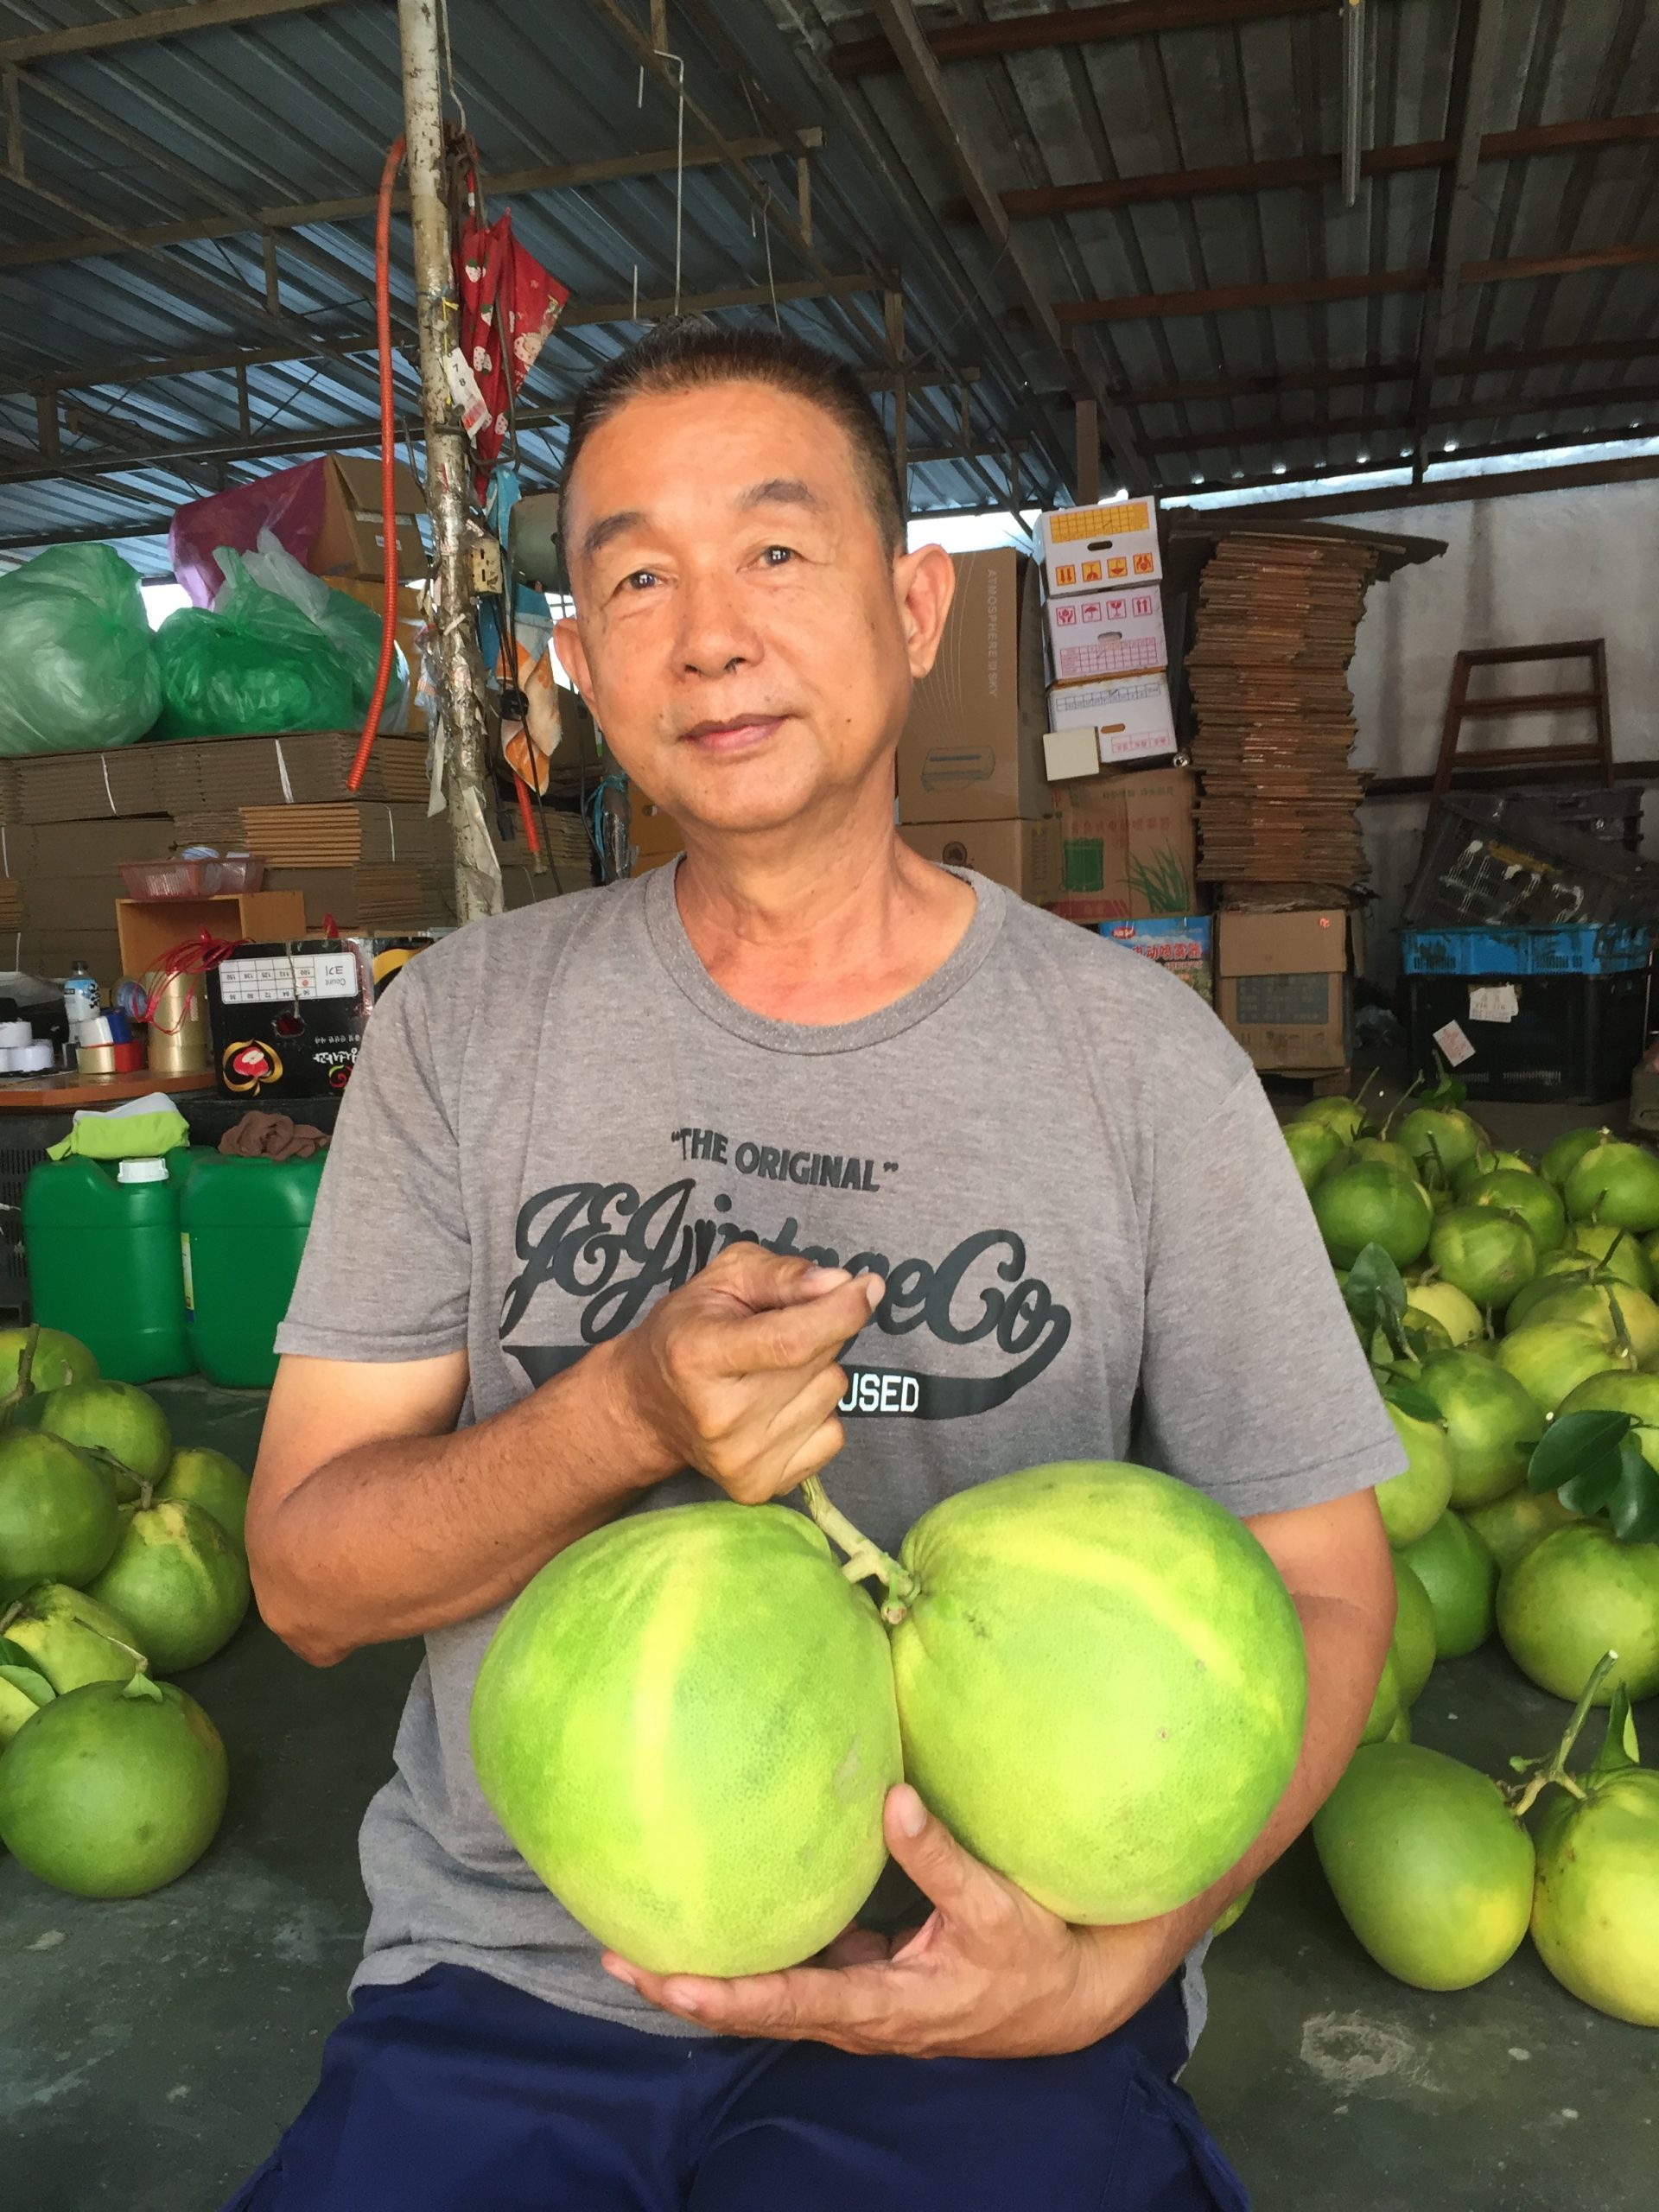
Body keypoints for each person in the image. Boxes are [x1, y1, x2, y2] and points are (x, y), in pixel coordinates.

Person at [227, 321, 1402, 2212]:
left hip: (985, 1984)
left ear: (915, 603)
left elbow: (1325, 1582)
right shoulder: (461, 1031)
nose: (709, 630)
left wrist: (1120, 1949)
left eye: (776, 548)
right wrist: (620, 1410)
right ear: (579, 665)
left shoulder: (1142, 1059)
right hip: (526, 1975)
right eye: (634, 575)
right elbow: (302, 1579)